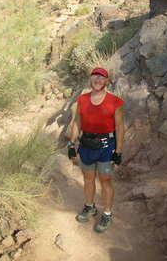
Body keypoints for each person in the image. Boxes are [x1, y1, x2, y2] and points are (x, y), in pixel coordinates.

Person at [67, 67, 125, 233]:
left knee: (105, 180)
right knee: (88, 178)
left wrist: (118, 151)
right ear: (91, 79)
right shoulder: (82, 99)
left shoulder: (115, 101)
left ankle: (107, 213)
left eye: (102, 77)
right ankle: (90, 207)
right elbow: (77, 122)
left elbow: (120, 127)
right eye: (95, 77)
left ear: (107, 81)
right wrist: (71, 145)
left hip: (106, 147)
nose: (98, 80)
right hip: (86, 145)